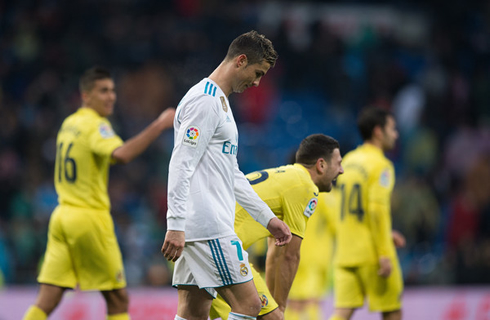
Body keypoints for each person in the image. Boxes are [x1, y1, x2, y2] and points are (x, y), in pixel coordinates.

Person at [23, 67, 176, 320]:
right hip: (89, 218)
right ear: (85, 95)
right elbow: (122, 155)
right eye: (103, 91)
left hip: (62, 217)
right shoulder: (96, 125)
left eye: (113, 90)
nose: (111, 97)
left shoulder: (68, 124)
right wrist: (159, 125)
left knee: (47, 298)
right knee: (118, 299)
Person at [160, 30, 292, 320]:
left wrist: (267, 218)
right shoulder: (205, 101)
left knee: (194, 311)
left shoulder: (219, 102)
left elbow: (231, 174)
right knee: (250, 305)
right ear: (241, 61)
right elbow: (181, 162)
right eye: (257, 73)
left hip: (201, 224)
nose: (257, 82)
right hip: (209, 226)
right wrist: (175, 223)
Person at [209, 134, 344, 320]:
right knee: (268, 315)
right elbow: (290, 255)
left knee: (195, 313)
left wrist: (274, 303)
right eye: (338, 163)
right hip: (223, 249)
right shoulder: (304, 186)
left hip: (200, 241)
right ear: (321, 165)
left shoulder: (281, 178)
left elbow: (276, 251)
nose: (342, 170)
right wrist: (278, 309)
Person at [329, 107, 405, 320]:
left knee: (342, 313)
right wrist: (383, 251)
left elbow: (351, 211)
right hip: (372, 254)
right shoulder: (381, 165)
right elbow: (376, 210)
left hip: (345, 253)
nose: (396, 134)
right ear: (378, 132)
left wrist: (387, 233)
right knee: (392, 310)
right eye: (392, 128)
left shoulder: (348, 161)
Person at [285, 189, 339, 320]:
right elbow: (336, 225)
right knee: (312, 300)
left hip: (293, 252)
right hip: (316, 256)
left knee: (294, 302)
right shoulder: (326, 197)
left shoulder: (296, 192)